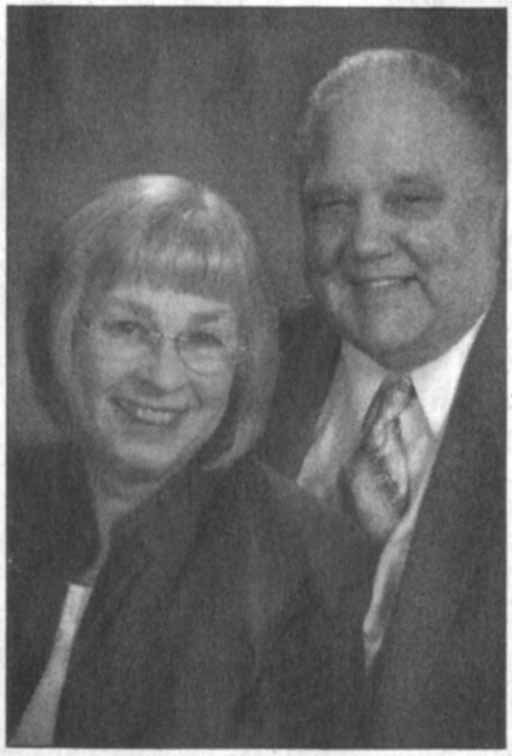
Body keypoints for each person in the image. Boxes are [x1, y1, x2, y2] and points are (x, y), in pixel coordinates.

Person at [8, 174, 368, 747]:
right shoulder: (15, 490)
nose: (162, 377)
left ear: (242, 362)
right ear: (65, 332)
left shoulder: (309, 565)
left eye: (203, 340)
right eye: (128, 328)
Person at [260, 49, 505, 747]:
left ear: (497, 212)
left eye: (411, 200)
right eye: (333, 205)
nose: (366, 242)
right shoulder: (235, 373)